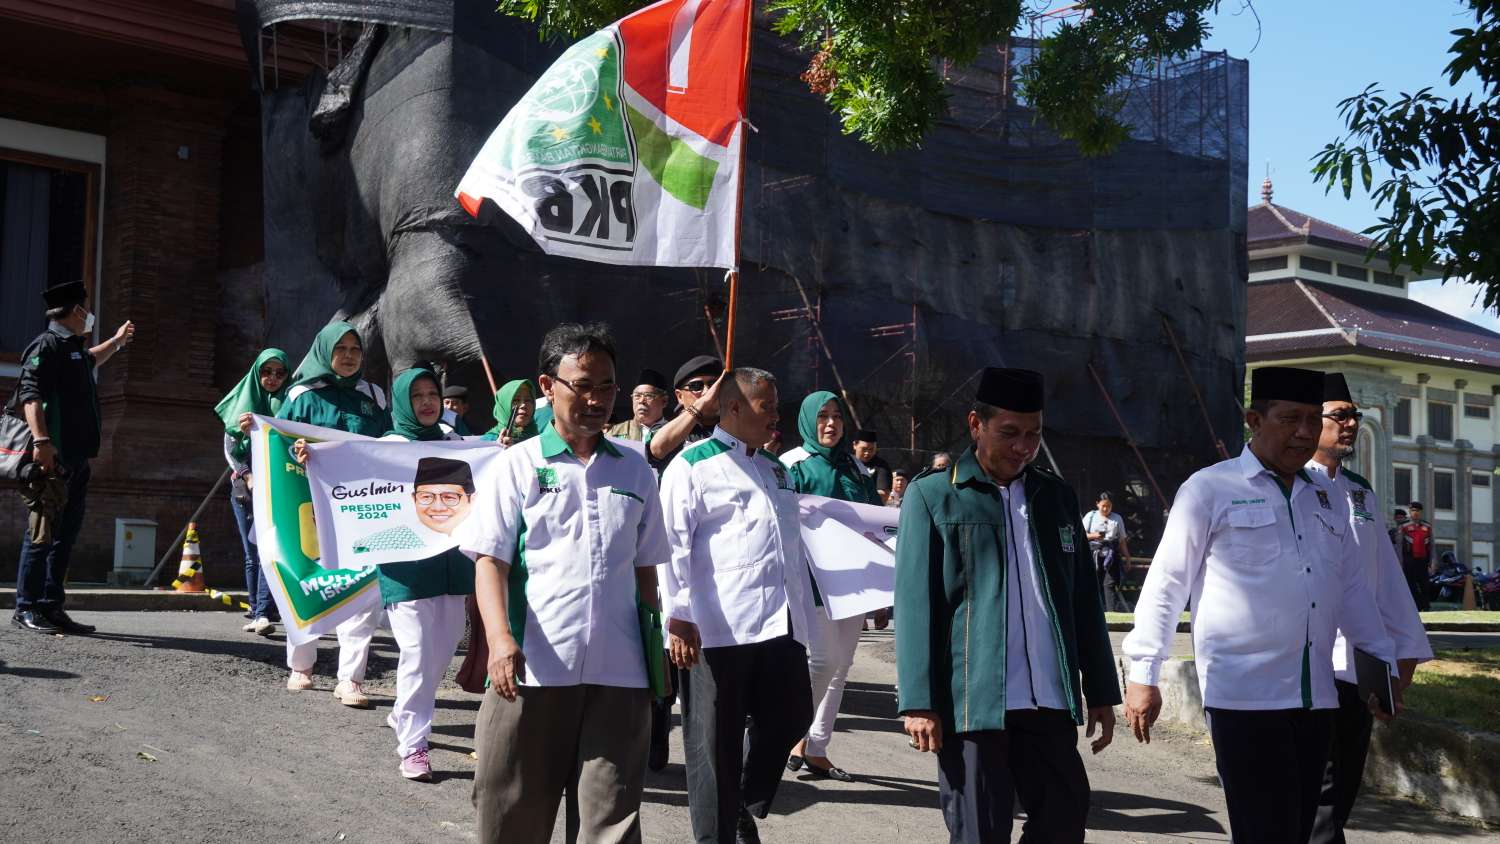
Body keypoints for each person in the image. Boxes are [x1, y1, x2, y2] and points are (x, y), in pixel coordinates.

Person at [1123, 366, 1400, 844]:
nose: (1304, 432)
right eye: (1290, 418)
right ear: (1254, 420)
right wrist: (1143, 674)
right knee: (1263, 832)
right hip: (1244, 699)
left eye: (1314, 419)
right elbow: (1167, 584)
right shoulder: (1211, 489)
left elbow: (1353, 589)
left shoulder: (1325, 499)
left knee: (1302, 830)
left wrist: (1381, 665)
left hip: (1316, 699)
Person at [462, 323, 669, 843]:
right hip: (533, 668)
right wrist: (500, 641)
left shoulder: (636, 471)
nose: (596, 399)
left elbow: (646, 569)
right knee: (513, 814)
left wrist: (653, 649)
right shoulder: (519, 465)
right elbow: (490, 561)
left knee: (612, 821)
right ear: (548, 386)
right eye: (583, 385)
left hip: (620, 675)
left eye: (607, 386)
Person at [896, 367, 1119, 844]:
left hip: (1048, 701)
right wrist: (918, 701)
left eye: (1034, 434)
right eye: (1010, 433)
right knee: (980, 831)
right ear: (976, 424)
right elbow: (916, 606)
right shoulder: (933, 496)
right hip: (974, 702)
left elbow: (1083, 600)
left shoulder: (1054, 496)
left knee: (1064, 818)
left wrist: (1100, 688)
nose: (1023, 446)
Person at [660, 367, 815, 844]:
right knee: (713, 747)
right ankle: (718, 834)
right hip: (714, 629)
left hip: (778, 624)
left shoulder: (776, 469)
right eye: (766, 405)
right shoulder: (693, 466)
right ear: (733, 409)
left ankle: (741, 803)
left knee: (793, 715)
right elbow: (670, 544)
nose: (775, 415)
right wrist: (679, 616)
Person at [1307, 374, 1432, 843]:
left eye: (1354, 415)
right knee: (1317, 801)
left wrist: (1404, 658)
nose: (1351, 423)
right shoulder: (1293, 485)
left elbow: (1387, 583)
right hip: (1310, 669)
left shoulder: (1360, 492)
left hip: (1359, 670)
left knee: (1342, 795)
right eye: (1339, 414)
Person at [10, 280, 134, 635]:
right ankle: (26, 607)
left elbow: (92, 357)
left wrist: (118, 341)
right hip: (54, 458)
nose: (89, 314)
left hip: (78, 459)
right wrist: (42, 441)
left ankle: (51, 605)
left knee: (65, 535)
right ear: (77, 311)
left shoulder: (72, 348)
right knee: (41, 533)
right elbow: (29, 395)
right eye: (86, 309)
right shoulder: (45, 345)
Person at [278, 321, 388, 706]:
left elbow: (389, 445)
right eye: (340, 349)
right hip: (310, 507)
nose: (348, 356)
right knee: (308, 582)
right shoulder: (302, 394)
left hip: (360, 509)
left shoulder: (373, 395)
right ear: (325, 351)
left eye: (355, 350)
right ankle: (301, 665)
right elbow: (281, 448)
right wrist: (298, 452)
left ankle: (350, 679)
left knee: (360, 591)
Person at [376, 368, 476, 781]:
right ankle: (414, 747)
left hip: (452, 567)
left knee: (442, 651)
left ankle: (403, 710)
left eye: (432, 393)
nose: (427, 401)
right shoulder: (388, 446)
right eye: (416, 395)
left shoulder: (457, 442)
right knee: (417, 653)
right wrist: (313, 459)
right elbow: (346, 474)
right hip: (406, 570)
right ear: (402, 401)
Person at [780, 391, 880, 782]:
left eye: (837, 416)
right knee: (821, 661)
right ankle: (790, 735)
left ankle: (817, 747)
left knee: (841, 667)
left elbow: (873, 522)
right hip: (811, 582)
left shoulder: (857, 469)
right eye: (822, 416)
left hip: (854, 583)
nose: (831, 424)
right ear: (807, 420)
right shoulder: (791, 465)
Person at [215, 348, 290, 635]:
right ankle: (258, 608)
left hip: (278, 487)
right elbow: (229, 448)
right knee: (252, 552)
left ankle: (263, 611)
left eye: (279, 373)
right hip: (245, 488)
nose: (272, 378)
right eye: (266, 372)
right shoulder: (242, 403)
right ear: (256, 373)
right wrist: (247, 474)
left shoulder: (289, 404)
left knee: (267, 551)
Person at [648, 354, 725, 470]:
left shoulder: (733, 428)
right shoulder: (666, 427)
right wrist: (701, 404)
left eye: (713, 384)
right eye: (696, 386)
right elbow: (657, 449)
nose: (707, 392)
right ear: (679, 396)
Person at [1083, 492, 1133, 613]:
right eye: (1103, 506)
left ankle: (1110, 613)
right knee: (1093, 583)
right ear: (1097, 504)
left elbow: (1121, 540)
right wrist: (1094, 535)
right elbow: (1080, 534)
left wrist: (1127, 558)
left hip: (1111, 555)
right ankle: (1092, 612)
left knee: (1109, 584)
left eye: (1109, 506)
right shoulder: (1090, 516)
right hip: (1093, 554)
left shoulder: (1117, 518)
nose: (1106, 509)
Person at [609, 368, 671, 443]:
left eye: (648, 396)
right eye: (637, 396)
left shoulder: (676, 431)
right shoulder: (615, 432)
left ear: (664, 401)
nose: (641, 401)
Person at [1398, 502, 1433, 611]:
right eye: (1413, 510)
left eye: (1417, 510)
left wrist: (1432, 561)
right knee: (1411, 584)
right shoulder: (1404, 526)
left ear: (1421, 512)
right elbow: (1399, 547)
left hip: (1423, 560)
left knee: (1425, 585)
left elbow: (1432, 546)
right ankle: (1416, 606)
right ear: (1410, 512)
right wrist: (1400, 562)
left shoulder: (1427, 527)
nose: (1415, 513)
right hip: (1409, 560)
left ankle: (1426, 606)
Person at [481, 379, 538, 446]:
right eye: (516, 400)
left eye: (528, 400)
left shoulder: (538, 436)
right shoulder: (488, 442)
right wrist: (498, 448)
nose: (523, 405)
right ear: (503, 406)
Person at [851, 429, 894, 503]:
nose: (867, 453)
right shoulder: (846, 462)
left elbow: (883, 494)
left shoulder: (881, 466)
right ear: (855, 445)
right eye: (864, 449)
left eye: (871, 449)